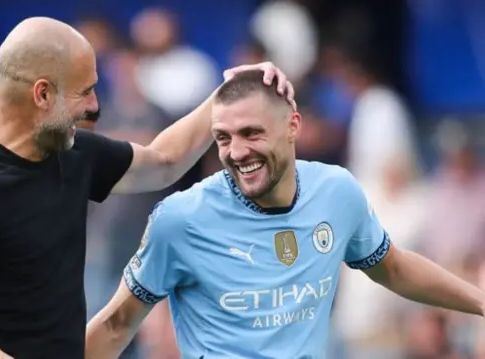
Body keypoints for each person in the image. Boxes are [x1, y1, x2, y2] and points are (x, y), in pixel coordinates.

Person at [0, 17, 295, 359]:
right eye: (85, 91)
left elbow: (164, 160)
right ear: (43, 93)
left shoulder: (74, 152)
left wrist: (228, 94)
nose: (95, 106)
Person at [85, 69, 485, 359]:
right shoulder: (181, 218)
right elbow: (117, 325)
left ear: (292, 126)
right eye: (223, 137)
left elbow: (393, 268)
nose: (236, 152)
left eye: (251, 133)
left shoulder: (336, 192)